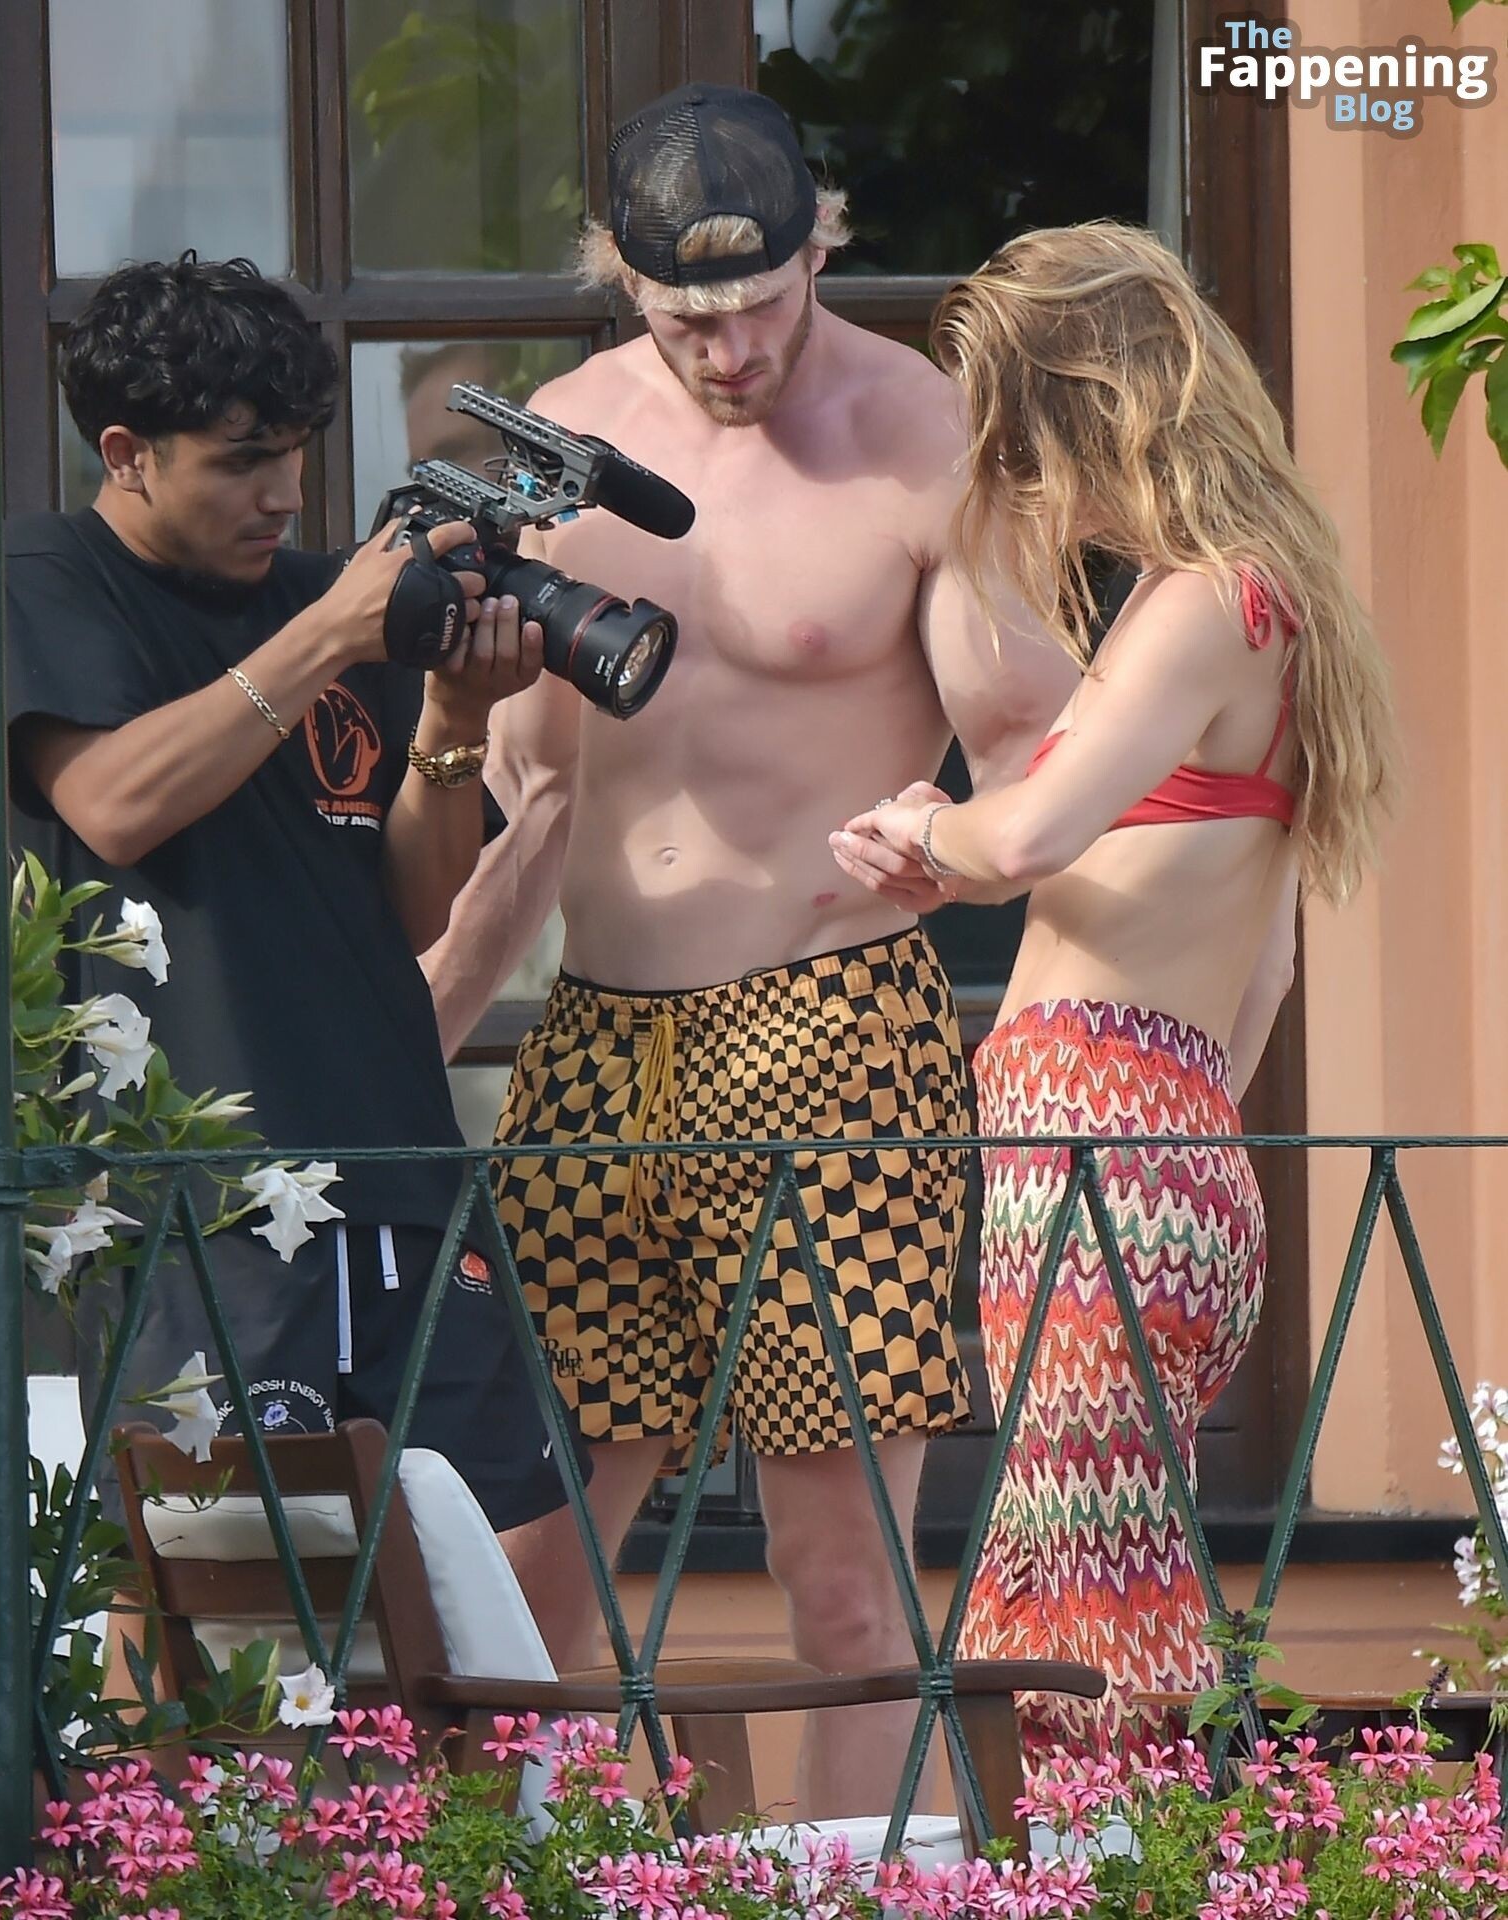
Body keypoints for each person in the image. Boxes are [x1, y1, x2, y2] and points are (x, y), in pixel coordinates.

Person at [423, 84, 1075, 1818]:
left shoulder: (919, 430)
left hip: (833, 1016)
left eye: (762, 305)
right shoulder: (564, 434)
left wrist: (952, 846)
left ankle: (850, 1887)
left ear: (822, 247)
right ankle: (522, 1879)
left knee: (840, 1576)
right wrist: (417, 1023)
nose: (730, 352)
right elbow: (523, 800)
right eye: (685, 319)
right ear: (622, 285)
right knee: (526, 1569)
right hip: (595, 1031)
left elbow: (1041, 757)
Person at [831, 221, 1397, 1767]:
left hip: (1096, 1148)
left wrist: (922, 833)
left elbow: (1025, 837)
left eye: (1018, 447)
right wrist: (1173, 1124)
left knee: (1083, 1637)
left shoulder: (1202, 602)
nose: (1019, 488)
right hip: (1169, 1141)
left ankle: (1133, 1868)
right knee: (1090, 1601)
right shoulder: (1270, 606)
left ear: (1089, 410)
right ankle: (1125, 1861)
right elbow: (1265, 961)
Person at [5, 253, 584, 1583]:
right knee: (221, 1589)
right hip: (195, 1197)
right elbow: (113, 802)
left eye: (296, 453)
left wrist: (452, 718)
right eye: (241, 461)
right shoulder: (46, 573)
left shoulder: (326, 600)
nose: (282, 493)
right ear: (125, 454)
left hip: (395, 1164)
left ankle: (471, 1746)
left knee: (490, 1559)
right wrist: (328, 634)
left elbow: (414, 909)